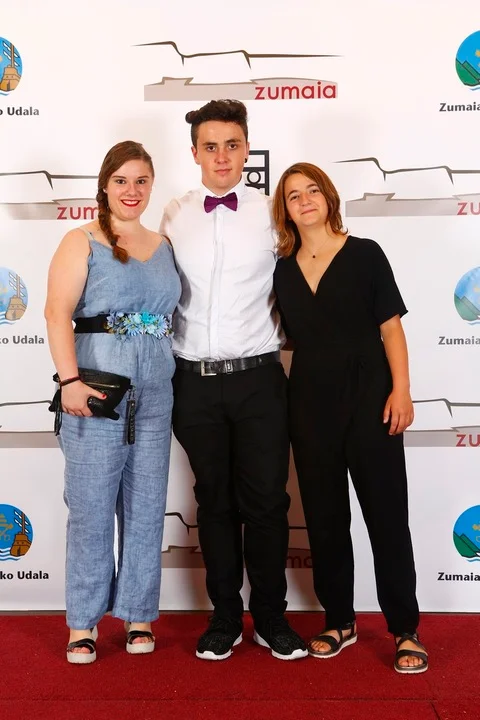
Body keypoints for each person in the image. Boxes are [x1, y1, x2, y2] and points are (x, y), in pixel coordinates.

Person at [160, 100, 307, 661]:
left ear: (247, 150)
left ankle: (271, 617)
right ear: (194, 152)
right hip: (193, 382)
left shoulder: (272, 213)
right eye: (210, 146)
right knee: (214, 502)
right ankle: (223, 617)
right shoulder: (174, 215)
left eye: (232, 145)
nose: (222, 156)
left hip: (260, 381)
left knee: (267, 502)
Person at [272, 162, 428, 674]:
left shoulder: (365, 253)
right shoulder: (282, 269)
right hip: (309, 401)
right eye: (293, 195)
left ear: (329, 197)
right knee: (324, 518)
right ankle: (339, 620)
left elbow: (391, 329)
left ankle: (405, 629)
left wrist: (401, 391)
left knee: (386, 516)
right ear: (285, 210)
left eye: (312, 190)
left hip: (371, 396)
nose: (304, 200)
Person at [45, 141, 181, 664]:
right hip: (95, 393)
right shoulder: (81, 240)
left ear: (152, 186)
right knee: (91, 510)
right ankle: (82, 623)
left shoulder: (164, 245)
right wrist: (69, 381)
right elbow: (56, 313)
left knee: (146, 508)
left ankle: (138, 615)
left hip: (156, 395)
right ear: (104, 185)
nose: (132, 190)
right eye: (122, 180)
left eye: (141, 181)